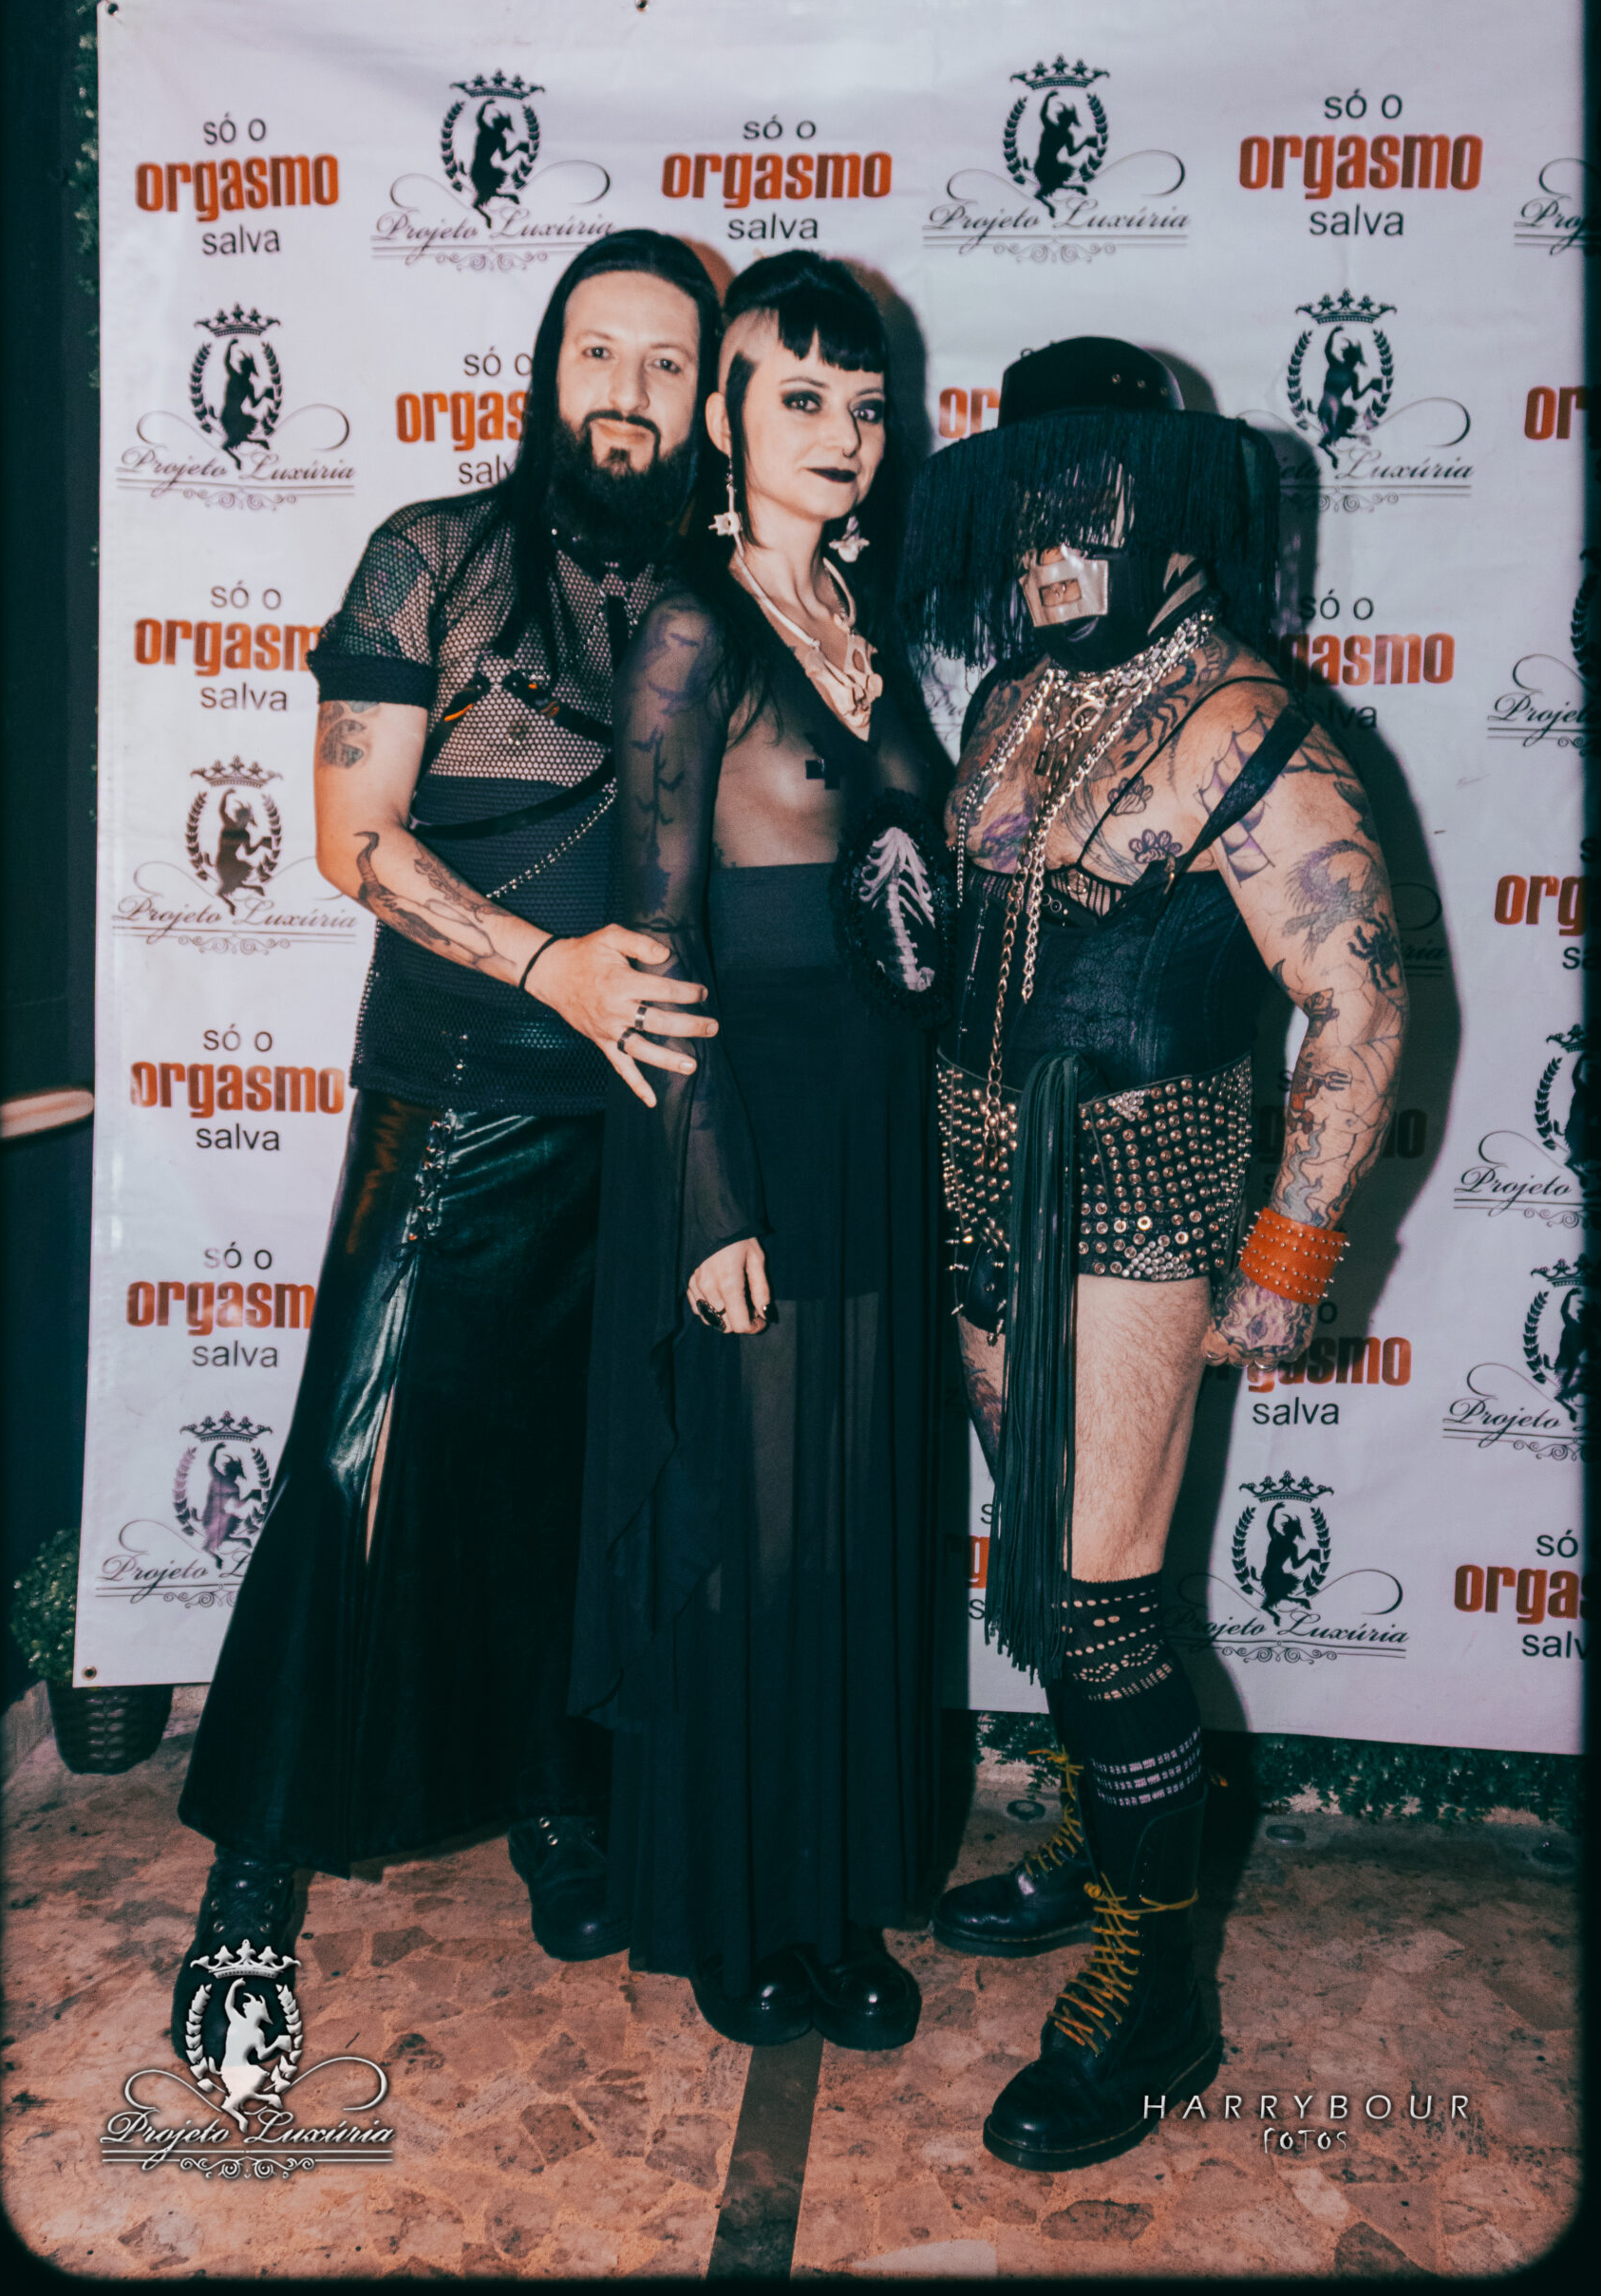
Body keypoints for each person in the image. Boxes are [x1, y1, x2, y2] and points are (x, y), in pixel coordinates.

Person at [170, 232, 724, 2061]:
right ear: (548, 370)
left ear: (705, 397)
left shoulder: (723, 589)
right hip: (464, 1090)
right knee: (359, 1472)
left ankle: (554, 1799)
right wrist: (549, 969)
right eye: (599, 353)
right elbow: (355, 839)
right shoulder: (437, 558)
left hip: (656, 1119)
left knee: (587, 1483)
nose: (627, 393)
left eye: (666, 362)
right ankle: (256, 1866)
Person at [900, 337, 1407, 2170]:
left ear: (1173, 515)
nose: (1054, 544)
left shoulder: (1249, 726)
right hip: (973, 1179)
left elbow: (1357, 1000)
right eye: (1033, 505)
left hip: (1135, 1191)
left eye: (1091, 506)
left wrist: (1287, 1253)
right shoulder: (1009, 698)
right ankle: (1106, 1842)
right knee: (1049, 1572)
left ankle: (1162, 1986)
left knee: (1105, 1595)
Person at [568, 253, 950, 2052]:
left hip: (878, 1124)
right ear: (721, 420)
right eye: (797, 397)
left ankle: (838, 1891)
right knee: (759, 1526)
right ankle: (744, 1910)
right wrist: (707, 1200)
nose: (841, 432)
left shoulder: (867, 621)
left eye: (862, 403)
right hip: (744, 1128)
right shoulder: (689, 626)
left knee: (858, 1520)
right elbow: (652, 951)